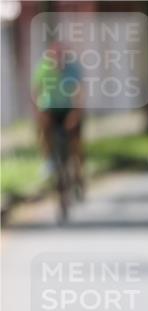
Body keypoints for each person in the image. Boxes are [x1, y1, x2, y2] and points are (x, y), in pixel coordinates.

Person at [32, 42, 85, 196]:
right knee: (42, 128)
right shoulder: (43, 68)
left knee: (75, 144)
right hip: (51, 108)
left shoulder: (73, 68)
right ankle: (48, 159)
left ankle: (78, 174)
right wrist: (38, 110)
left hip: (69, 108)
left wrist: (75, 113)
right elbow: (36, 90)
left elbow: (79, 92)